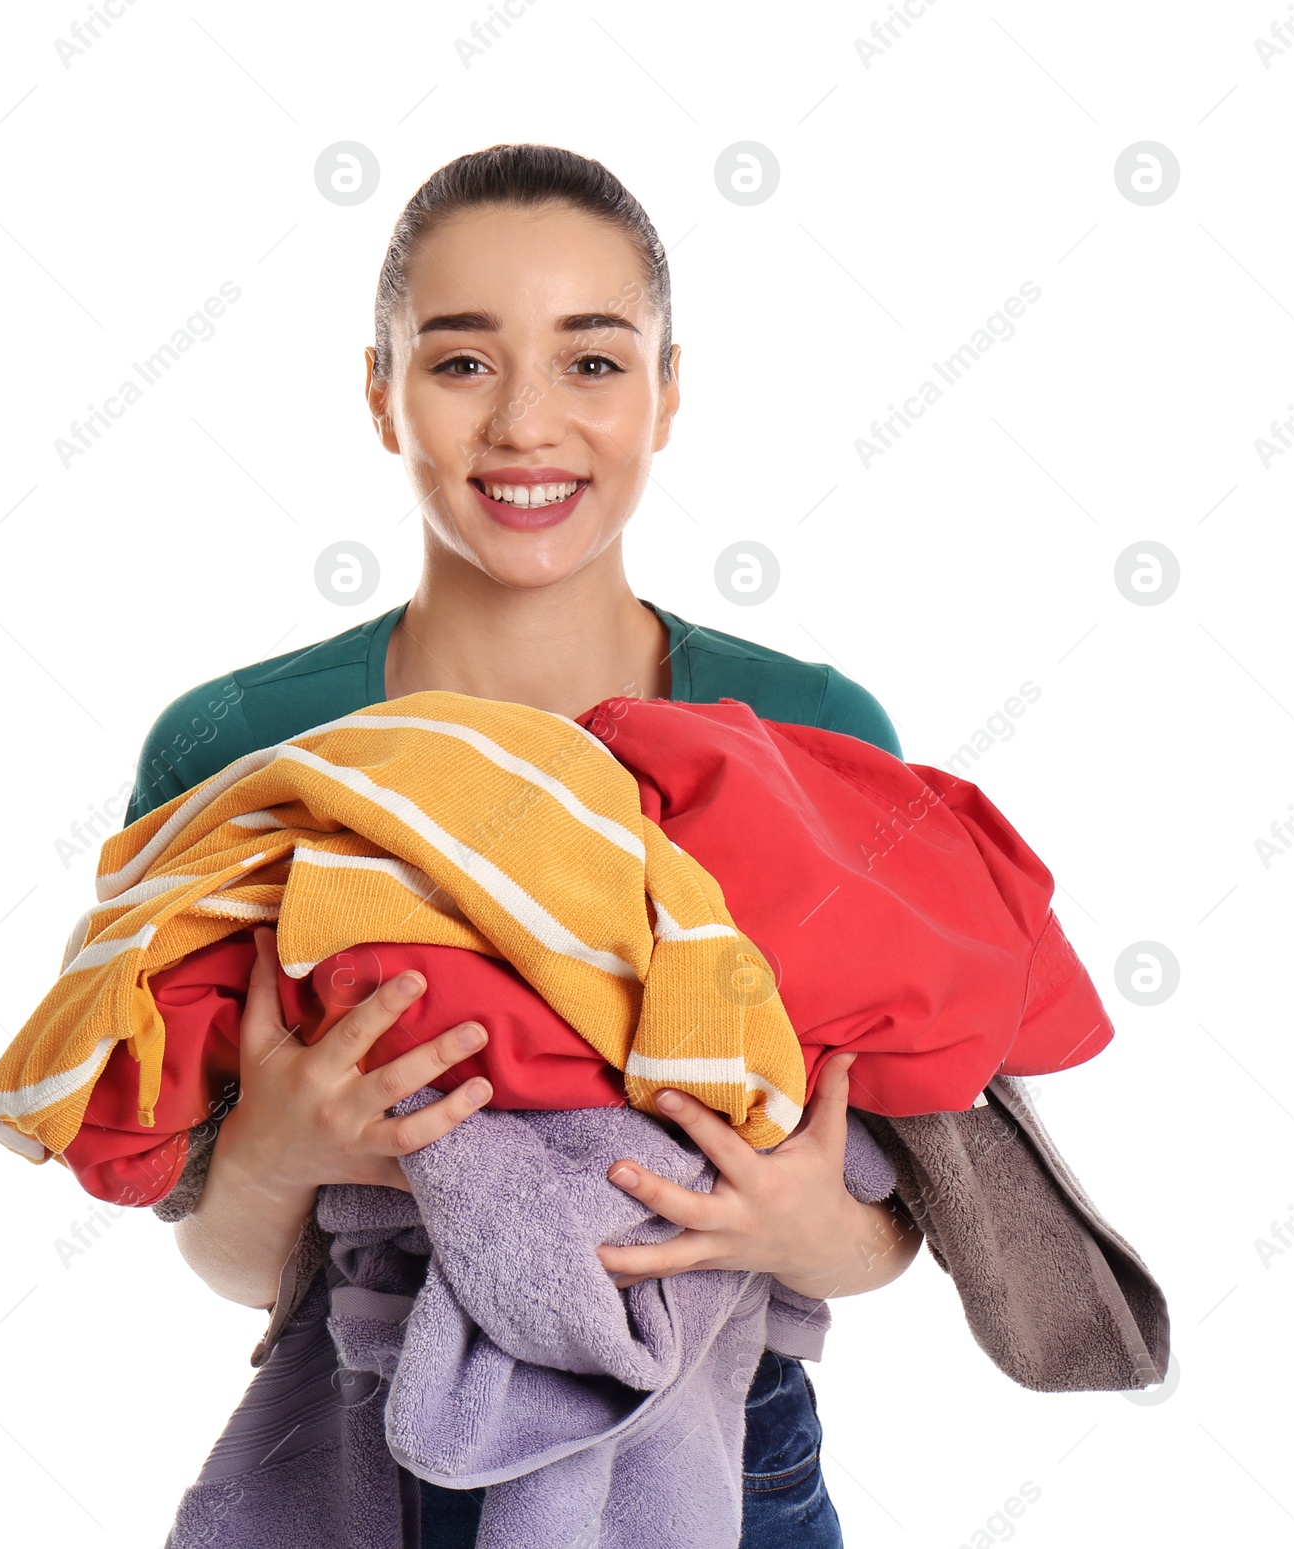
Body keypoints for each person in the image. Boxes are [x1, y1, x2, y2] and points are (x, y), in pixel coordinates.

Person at [126, 143, 923, 1548]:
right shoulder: (246, 752)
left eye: (594, 362)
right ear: (381, 391)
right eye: (462, 362)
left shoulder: (813, 731)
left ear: (670, 390)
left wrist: (802, 1233)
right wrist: (275, 1153)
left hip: (722, 1453)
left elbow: (903, 1212)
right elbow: (228, 1255)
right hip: (365, 1439)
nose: (528, 424)